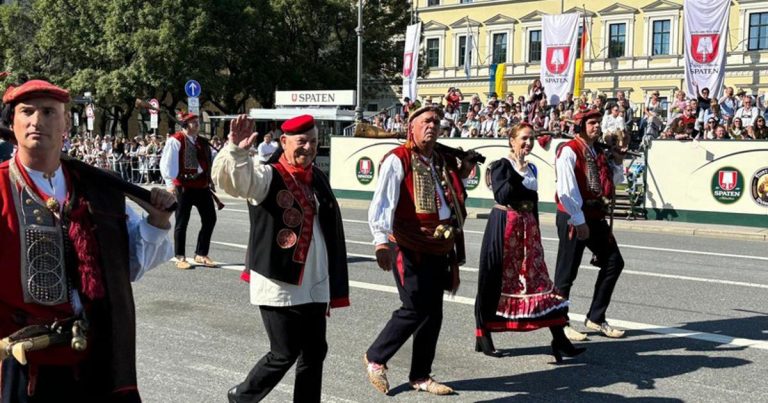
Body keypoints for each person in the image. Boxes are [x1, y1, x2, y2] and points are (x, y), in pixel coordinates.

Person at [0, 79, 174, 402]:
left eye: (49, 112)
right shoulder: (0, 187)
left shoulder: (96, 190)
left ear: (66, 122)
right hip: (24, 367)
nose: (37, 120)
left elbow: (127, 268)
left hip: (95, 358)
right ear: (12, 122)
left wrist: (158, 221)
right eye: (27, 111)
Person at [212, 114, 349, 403]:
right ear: (284, 142)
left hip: (313, 281)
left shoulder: (317, 176)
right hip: (279, 283)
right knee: (284, 352)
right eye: (302, 142)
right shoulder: (268, 175)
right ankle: (242, 397)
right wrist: (236, 150)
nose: (308, 148)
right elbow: (238, 183)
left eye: (313, 142)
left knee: (315, 351)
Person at [364, 105, 475, 396]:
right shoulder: (398, 159)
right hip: (408, 244)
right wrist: (381, 242)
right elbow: (382, 203)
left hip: (439, 245)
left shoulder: (439, 159)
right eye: (426, 121)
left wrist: (461, 173)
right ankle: (376, 357)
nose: (432, 126)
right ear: (411, 127)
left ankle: (421, 375)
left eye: (437, 122)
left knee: (433, 312)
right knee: (414, 307)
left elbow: (448, 196)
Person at [474, 123, 586, 362]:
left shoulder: (530, 168)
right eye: (524, 138)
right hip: (505, 226)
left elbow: (532, 201)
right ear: (511, 141)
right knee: (494, 280)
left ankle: (560, 339)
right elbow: (502, 195)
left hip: (527, 228)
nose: (528, 143)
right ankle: (483, 335)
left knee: (539, 281)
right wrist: (519, 171)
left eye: (531, 139)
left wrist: (535, 232)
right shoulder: (501, 165)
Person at [554, 109, 626, 341]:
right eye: (592, 123)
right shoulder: (569, 150)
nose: (597, 126)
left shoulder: (598, 152)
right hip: (574, 216)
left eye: (598, 123)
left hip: (595, 216)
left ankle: (596, 317)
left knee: (614, 262)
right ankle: (560, 322)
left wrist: (617, 162)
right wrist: (579, 219)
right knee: (567, 271)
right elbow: (566, 190)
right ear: (581, 125)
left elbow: (610, 182)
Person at [160, 112, 218, 269]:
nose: (197, 124)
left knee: (210, 218)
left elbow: (211, 159)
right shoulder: (176, 140)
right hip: (183, 186)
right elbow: (167, 163)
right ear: (185, 125)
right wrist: (170, 184)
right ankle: (180, 256)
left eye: (197, 122)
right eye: (193, 122)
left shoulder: (202, 142)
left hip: (201, 186)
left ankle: (201, 253)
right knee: (182, 222)